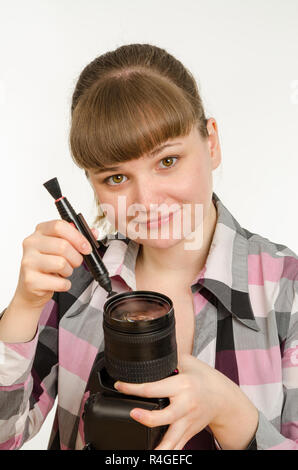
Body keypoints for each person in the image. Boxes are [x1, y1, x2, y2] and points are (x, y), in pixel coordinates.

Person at [0, 43, 297, 451]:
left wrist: (232, 413)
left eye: (167, 162)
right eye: (117, 178)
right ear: (91, 183)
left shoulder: (288, 290)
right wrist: (24, 305)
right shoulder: (74, 284)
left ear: (211, 144)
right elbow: (5, 436)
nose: (147, 201)